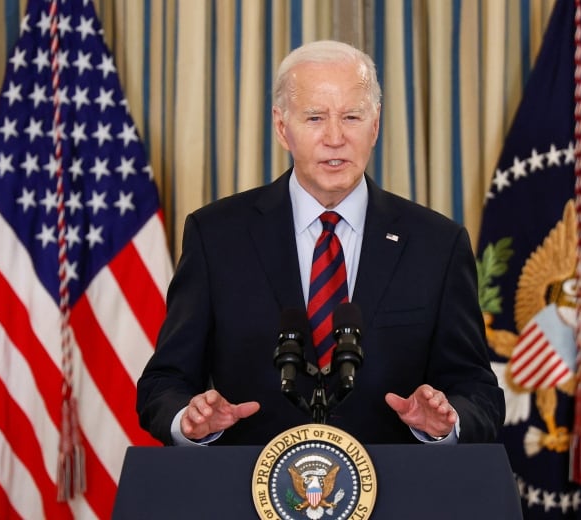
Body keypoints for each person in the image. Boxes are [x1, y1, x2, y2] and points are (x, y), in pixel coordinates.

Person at [136, 40, 504, 446]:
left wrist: (445, 421)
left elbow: (478, 391)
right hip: (248, 496)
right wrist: (190, 420)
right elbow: (164, 382)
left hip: (396, 497)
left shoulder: (437, 244)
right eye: (314, 118)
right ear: (282, 127)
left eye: (351, 116)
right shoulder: (216, 235)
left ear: (375, 124)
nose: (335, 137)